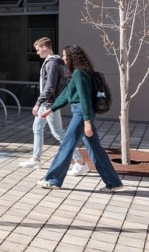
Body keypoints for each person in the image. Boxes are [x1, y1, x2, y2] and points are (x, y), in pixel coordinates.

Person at [37, 44, 124, 192]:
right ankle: (114, 183)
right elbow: (66, 93)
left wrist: (87, 122)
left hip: (81, 113)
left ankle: (53, 180)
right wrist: (52, 109)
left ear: (72, 57)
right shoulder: (77, 73)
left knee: (67, 145)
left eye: (65, 56)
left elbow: (84, 99)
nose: (63, 58)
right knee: (95, 148)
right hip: (82, 112)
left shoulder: (79, 73)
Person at [19, 37, 67, 169]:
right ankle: (36, 159)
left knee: (58, 132)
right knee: (37, 128)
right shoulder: (53, 61)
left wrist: (38, 103)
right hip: (48, 103)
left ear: (45, 48)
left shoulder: (52, 63)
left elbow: (50, 87)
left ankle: (79, 162)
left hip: (49, 104)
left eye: (38, 49)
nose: (37, 52)